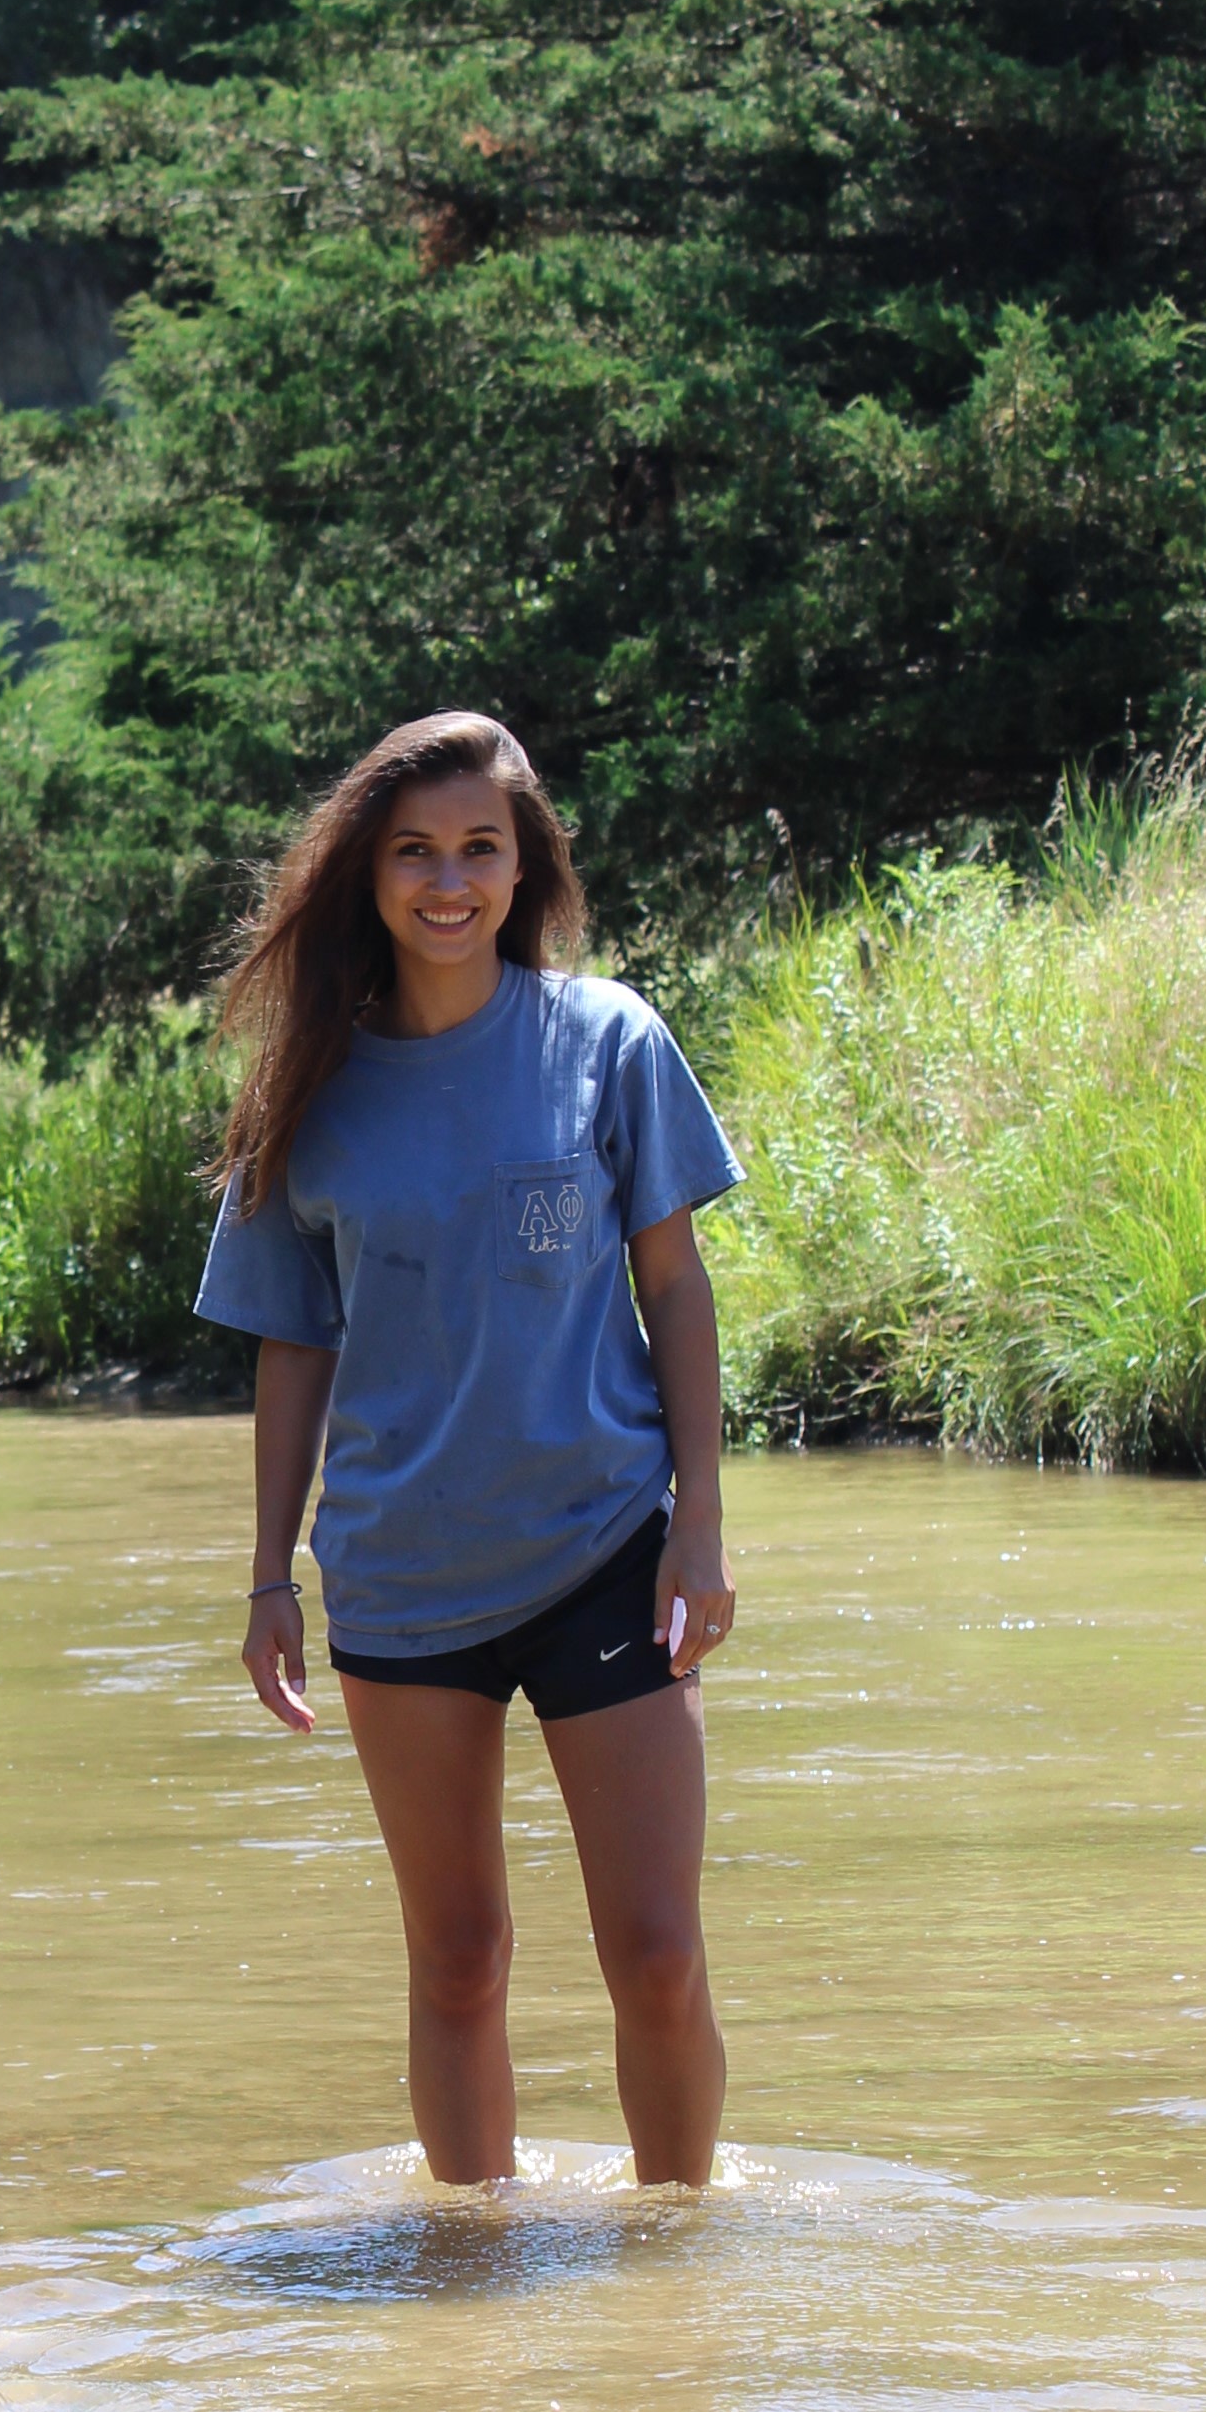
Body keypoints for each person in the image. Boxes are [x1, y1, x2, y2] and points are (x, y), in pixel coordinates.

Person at [195, 709, 743, 2188]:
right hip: (400, 1575)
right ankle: (471, 2282)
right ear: (366, 876)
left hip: (607, 1551)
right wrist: (267, 1577)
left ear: (526, 865)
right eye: (416, 852)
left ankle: (675, 2270)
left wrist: (700, 1525)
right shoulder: (305, 1094)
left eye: (480, 850)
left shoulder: (608, 1039)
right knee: (458, 1961)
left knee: (658, 1954)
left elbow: (675, 1285)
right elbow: (291, 1345)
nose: (450, 881)